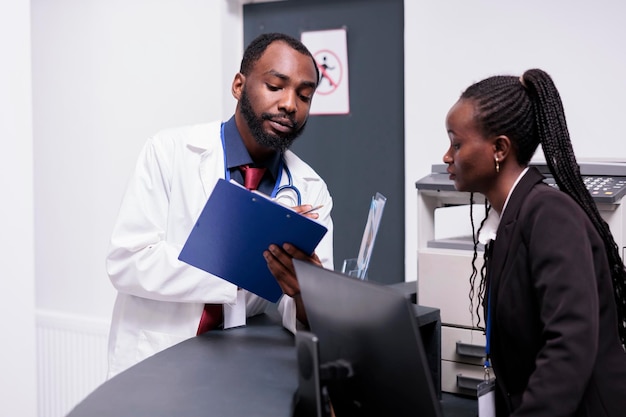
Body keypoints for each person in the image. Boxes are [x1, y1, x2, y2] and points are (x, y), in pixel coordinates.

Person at [105, 32, 333, 378]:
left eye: (304, 95)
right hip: (155, 360)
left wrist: (305, 289)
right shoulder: (168, 152)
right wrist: (243, 258)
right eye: (275, 86)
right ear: (239, 85)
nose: (290, 104)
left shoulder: (310, 189)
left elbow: (301, 312)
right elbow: (127, 261)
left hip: (238, 367)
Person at [442, 68, 626, 416]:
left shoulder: (549, 215)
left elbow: (568, 347)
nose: (448, 156)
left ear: (499, 148)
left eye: (456, 143)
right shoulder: (512, 217)